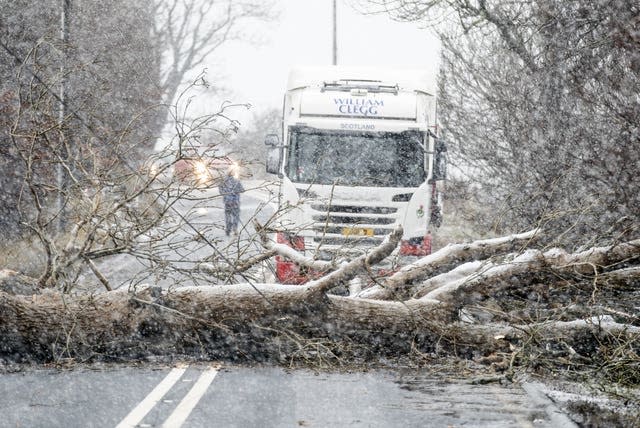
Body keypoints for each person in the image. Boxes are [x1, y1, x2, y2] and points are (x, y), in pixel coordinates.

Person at [218, 167, 244, 236]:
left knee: (228, 216)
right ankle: (235, 228)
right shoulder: (236, 181)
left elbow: (221, 191)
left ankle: (228, 228)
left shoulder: (223, 181)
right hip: (235, 203)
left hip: (227, 202)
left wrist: (226, 194)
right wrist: (236, 191)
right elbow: (242, 190)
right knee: (236, 216)